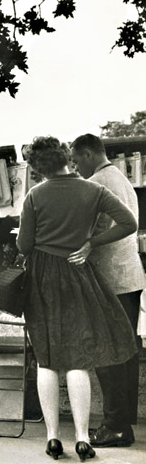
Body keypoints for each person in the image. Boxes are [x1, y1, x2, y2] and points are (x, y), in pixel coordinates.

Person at [17, 136, 138, 462]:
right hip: (78, 275)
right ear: (65, 157)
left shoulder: (34, 195)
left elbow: (23, 245)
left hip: (42, 278)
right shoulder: (93, 190)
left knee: (47, 358)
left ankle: (54, 437)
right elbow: (130, 223)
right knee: (78, 358)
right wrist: (90, 243)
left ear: (37, 167)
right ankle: (84, 438)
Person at [71, 133, 146, 448]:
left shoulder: (99, 182)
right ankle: (123, 420)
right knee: (125, 353)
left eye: (76, 160)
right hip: (129, 277)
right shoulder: (120, 177)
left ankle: (114, 426)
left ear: (88, 154)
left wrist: (86, 243)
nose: (75, 167)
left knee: (107, 352)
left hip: (109, 281)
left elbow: (99, 229)